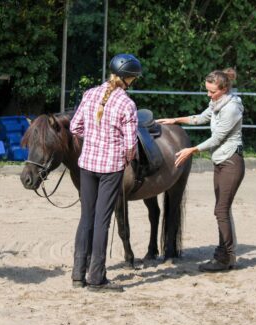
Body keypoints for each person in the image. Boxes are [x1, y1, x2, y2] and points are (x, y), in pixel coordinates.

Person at [157, 68, 245, 272]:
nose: (208, 95)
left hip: (231, 162)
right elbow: (200, 118)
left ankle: (226, 258)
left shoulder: (231, 108)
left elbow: (218, 138)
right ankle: (226, 254)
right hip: (221, 161)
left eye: (212, 91)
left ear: (223, 89)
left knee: (221, 210)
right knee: (222, 210)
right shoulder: (217, 102)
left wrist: (192, 150)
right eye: (207, 91)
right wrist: (175, 120)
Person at [70, 54, 142, 291]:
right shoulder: (127, 104)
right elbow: (131, 145)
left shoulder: (90, 94)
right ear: (129, 78)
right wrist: (124, 156)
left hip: (87, 164)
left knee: (86, 218)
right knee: (102, 221)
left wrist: (93, 140)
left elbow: (75, 127)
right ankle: (97, 278)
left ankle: (78, 275)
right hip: (110, 168)